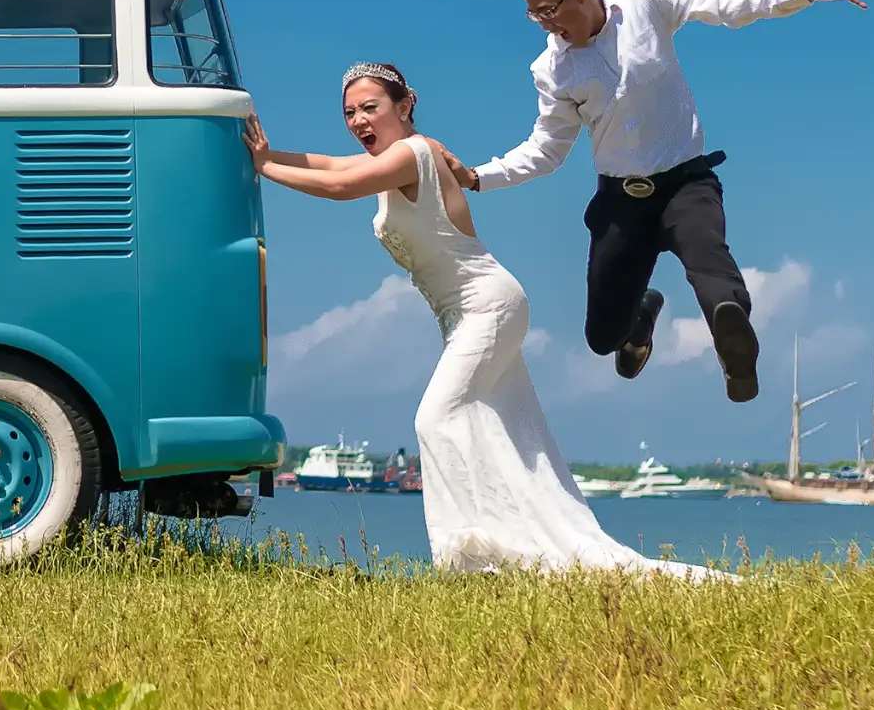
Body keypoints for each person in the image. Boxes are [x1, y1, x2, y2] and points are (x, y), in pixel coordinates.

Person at [246, 64, 723, 577]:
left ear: (404, 104)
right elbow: (330, 166)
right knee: (500, 435)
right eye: (349, 113)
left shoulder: (414, 153)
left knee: (435, 418)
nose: (359, 121)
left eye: (370, 108)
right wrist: (267, 153)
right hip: (464, 315)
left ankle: (469, 558)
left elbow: (341, 188)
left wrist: (263, 169)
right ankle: (506, 550)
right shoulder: (392, 159)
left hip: (488, 305)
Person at [450, 0, 874, 403]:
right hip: (620, 203)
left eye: (547, 10)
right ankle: (641, 316)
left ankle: (733, 344)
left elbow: (724, 3)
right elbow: (547, 149)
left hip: (685, 183)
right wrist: (478, 176)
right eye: (534, 15)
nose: (546, 24)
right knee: (603, 337)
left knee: (708, 258)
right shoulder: (552, 69)